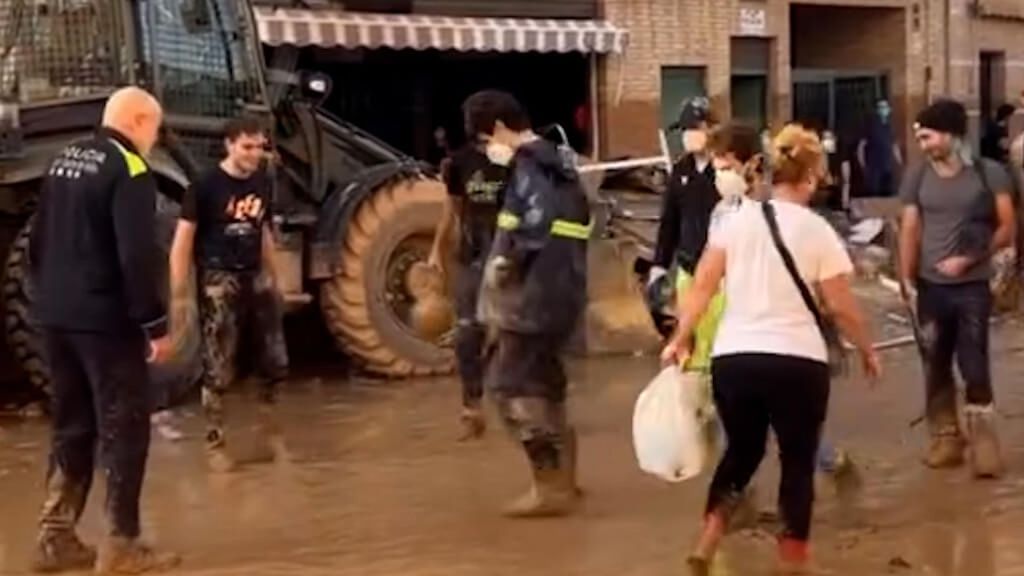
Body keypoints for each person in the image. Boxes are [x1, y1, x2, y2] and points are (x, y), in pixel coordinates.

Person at [662, 124, 881, 572]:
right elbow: (841, 307)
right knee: (797, 461)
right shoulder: (818, 231)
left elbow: (701, 287)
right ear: (813, 176)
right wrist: (867, 349)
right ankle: (792, 560)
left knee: (741, 451)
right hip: (799, 362)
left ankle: (708, 536)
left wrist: (679, 338)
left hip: (734, 358)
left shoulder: (735, 221)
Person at [29, 86, 179, 573]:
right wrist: (154, 323)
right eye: (154, 129)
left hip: (55, 316)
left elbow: (37, 239)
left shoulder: (62, 159)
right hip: (105, 322)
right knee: (125, 427)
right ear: (137, 121)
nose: (154, 140)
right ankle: (122, 545)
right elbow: (136, 255)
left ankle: (55, 536)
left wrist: (51, 294)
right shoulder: (130, 167)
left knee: (72, 424)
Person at [468, 89, 589, 517]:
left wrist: (505, 264)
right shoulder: (561, 162)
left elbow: (535, 224)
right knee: (548, 382)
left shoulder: (529, 167)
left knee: (504, 387)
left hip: (534, 295)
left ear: (499, 128)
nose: (488, 150)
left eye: (486, 140)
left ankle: (549, 483)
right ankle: (568, 482)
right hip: (566, 291)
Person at [898, 99, 1016, 478]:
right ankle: (947, 438)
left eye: (929, 136)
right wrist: (905, 277)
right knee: (934, 364)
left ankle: (984, 445)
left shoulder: (989, 174)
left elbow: (1007, 227)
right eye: (920, 138)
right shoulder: (918, 177)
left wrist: (968, 259)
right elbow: (910, 228)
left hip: (972, 288)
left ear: (950, 134)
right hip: (930, 288)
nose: (924, 145)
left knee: (974, 364)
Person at [169, 116, 288, 473]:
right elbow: (182, 243)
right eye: (247, 147)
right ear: (229, 145)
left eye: (259, 146)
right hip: (219, 278)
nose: (254, 154)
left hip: (255, 275)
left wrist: (275, 276)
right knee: (218, 363)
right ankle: (216, 441)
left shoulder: (263, 181)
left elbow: (263, 230)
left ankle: (270, 435)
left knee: (273, 359)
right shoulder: (204, 185)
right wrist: (178, 296)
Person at [427, 141, 509, 441]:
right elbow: (450, 212)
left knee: (503, 333)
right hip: (471, 255)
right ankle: (471, 408)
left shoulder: (513, 162)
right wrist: (437, 250)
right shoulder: (459, 163)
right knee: (465, 332)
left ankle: (509, 402)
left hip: (505, 256)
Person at [648, 97, 720, 338]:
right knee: (689, 334)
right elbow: (669, 222)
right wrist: (659, 265)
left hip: (722, 273)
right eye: (685, 130)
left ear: (710, 128)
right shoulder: (681, 171)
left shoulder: (725, 171)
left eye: (694, 128)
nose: (688, 135)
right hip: (688, 269)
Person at [857, 99, 903, 197]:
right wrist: (862, 162)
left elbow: (894, 145)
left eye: (885, 107)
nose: (883, 110)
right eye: (881, 107)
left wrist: (900, 162)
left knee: (887, 191)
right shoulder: (870, 125)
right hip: (874, 165)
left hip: (887, 165)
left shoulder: (890, 127)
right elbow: (861, 145)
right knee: (874, 191)